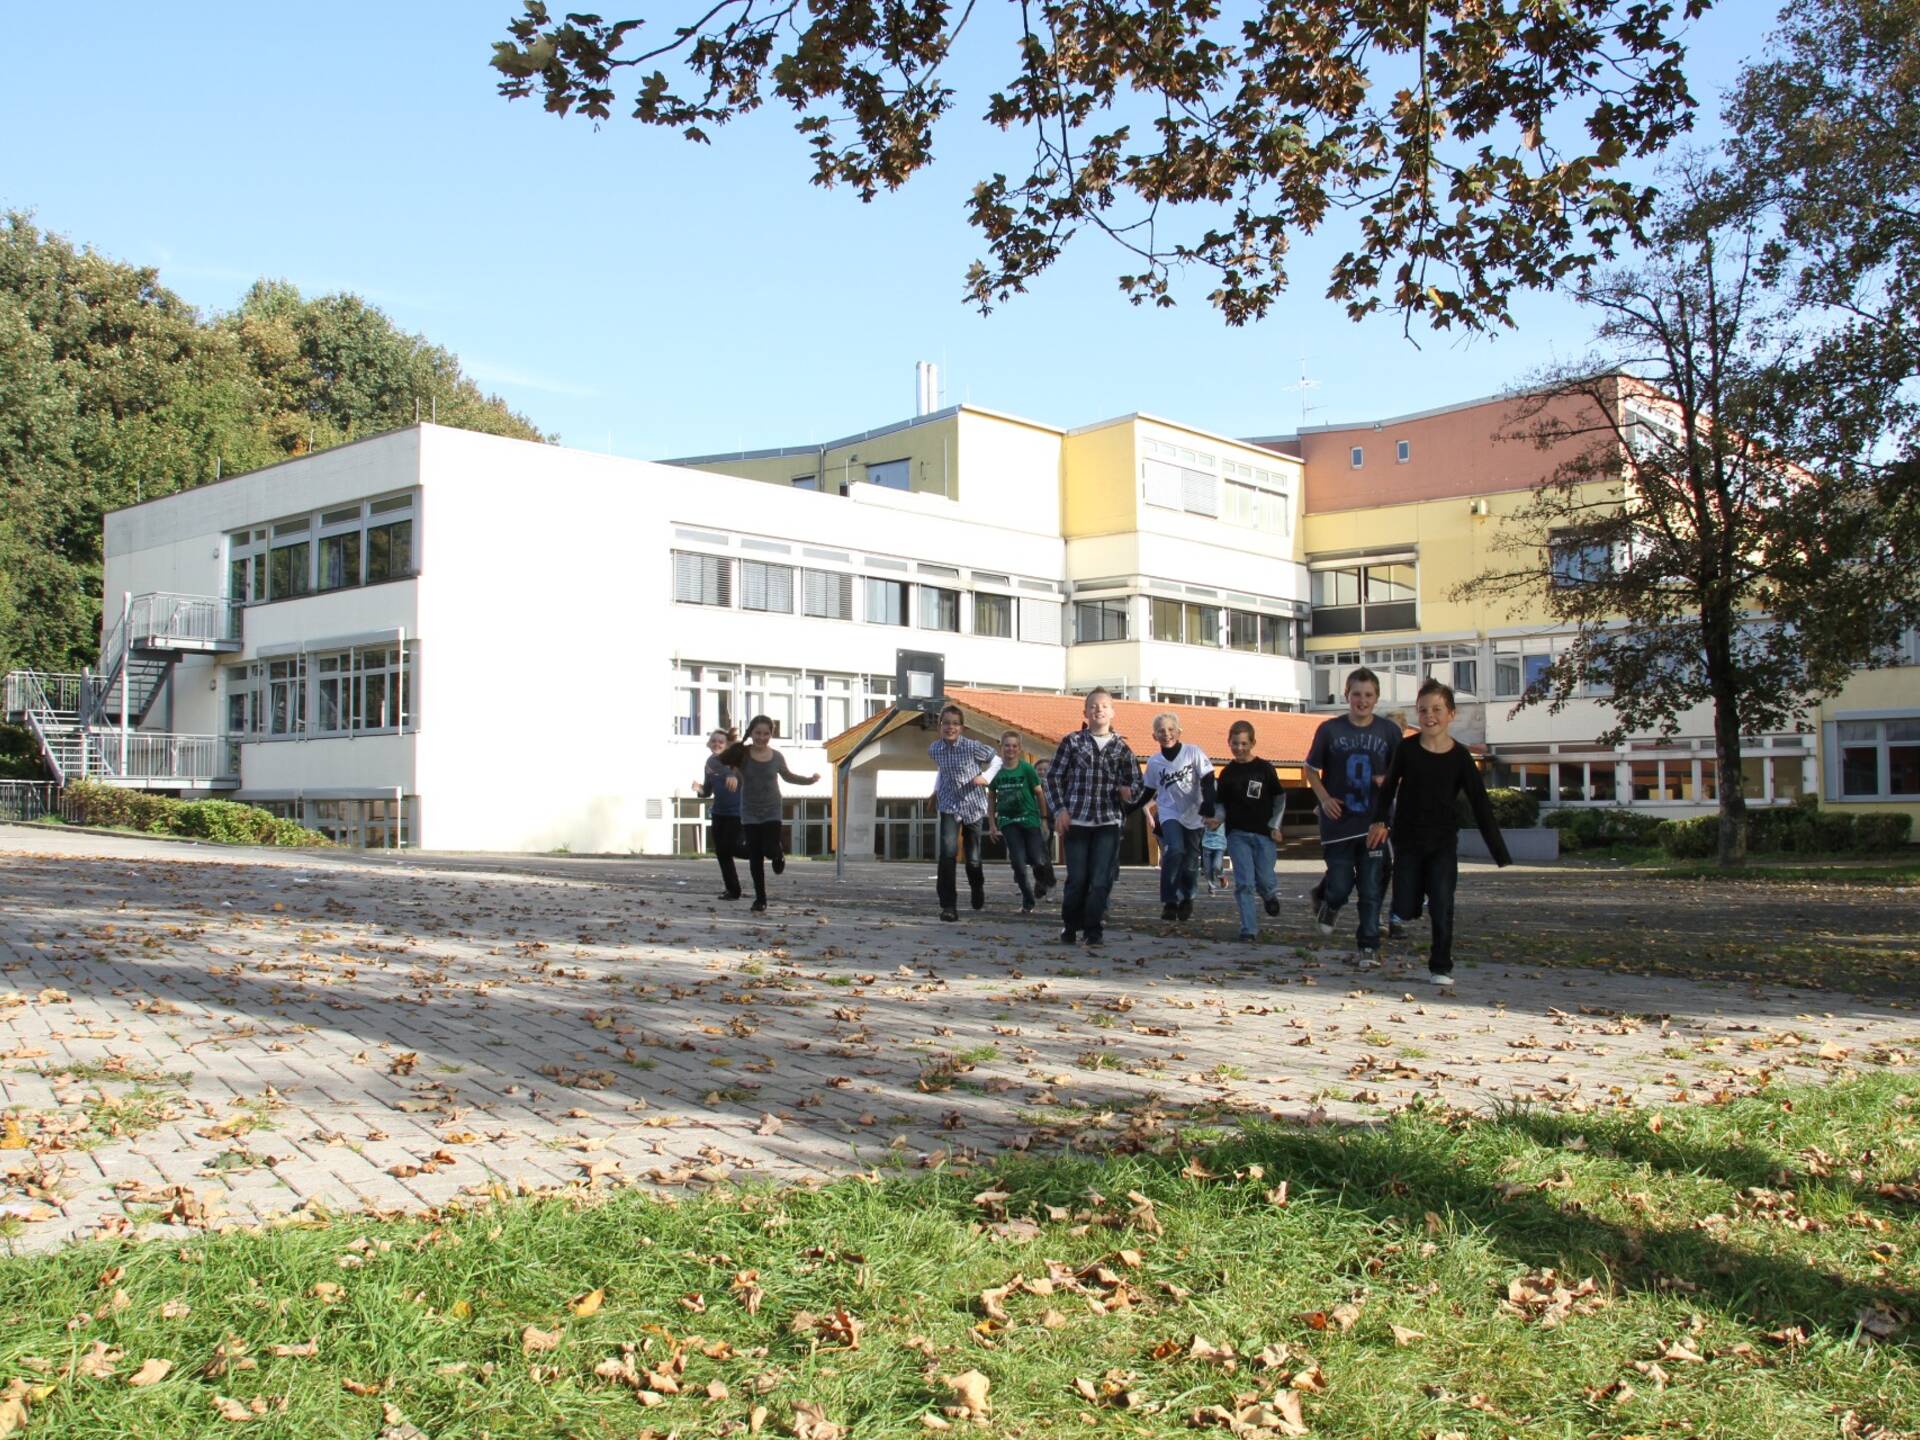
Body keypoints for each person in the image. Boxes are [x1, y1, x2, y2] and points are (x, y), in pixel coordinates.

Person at [1367, 678, 1512, 987]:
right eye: (1422, 710)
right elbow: (1388, 788)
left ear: (1451, 714)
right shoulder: (1406, 750)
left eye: (1436, 709)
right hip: (1408, 841)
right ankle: (1415, 898)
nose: (1429, 715)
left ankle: (1441, 966)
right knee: (1404, 907)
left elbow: (1480, 804)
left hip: (1443, 843)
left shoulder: (1460, 757)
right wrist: (1380, 820)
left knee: (1443, 904)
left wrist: (1499, 852)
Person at [1304, 667, 1401, 966]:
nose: (1362, 700)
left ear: (1377, 698)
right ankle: (1327, 901)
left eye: (1368, 695)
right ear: (1346, 695)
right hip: (1339, 824)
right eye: (1356, 694)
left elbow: (1403, 772)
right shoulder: (1330, 729)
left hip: (1374, 823)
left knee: (1372, 888)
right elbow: (1309, 769)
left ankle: (1369, 946)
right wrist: (1323, 797)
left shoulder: (1389, 731)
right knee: (1341, 885)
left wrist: (1389, 782)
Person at [1043, 689, 1138, 947]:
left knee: (1100, 879)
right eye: (1094, 706)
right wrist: (1059, 810)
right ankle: (1070, 926)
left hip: (1108, 821)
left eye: (1105, 706)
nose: (1099, 710)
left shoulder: (1122, 748)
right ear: (1085, 712)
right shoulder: (1073, 742)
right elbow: (1052, 778)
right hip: (1078, 821)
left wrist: (1128, 792)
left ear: (1112, 712)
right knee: (1078, 879)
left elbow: (1135, 784)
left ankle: (1093, 929)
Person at [717, 716, 820, 913]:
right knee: (755, 855)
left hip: (772, 808)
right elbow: (723, 762)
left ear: (771, 735)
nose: (762, 737)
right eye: (758, 733)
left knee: (770, 847)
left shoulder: (777, 756)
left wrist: (809, 780)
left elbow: (789, 777)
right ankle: (760, 899)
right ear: (752, 733)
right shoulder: (743, 753)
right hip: (750, 810)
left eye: (766, 734)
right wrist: (731, 770)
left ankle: (778, 854)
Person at [928, 705, 1002, 921]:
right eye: (946, 723)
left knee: (972, 859)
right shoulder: (934, 749)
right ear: (940, 725)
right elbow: (943, 770)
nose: (950, 727)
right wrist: (935, 791)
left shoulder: (972, 747)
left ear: (961, 727)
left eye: (955, 723)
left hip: (973, 806)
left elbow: (996, 760)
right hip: (949, 805)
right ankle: (948, 906)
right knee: (947, 853)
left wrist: (986, 777)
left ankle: (977, 886)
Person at [1141, 713, 1217, 923]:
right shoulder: (1155, 762)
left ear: (1178, 731)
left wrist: (1209, 804)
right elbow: (1147, 791)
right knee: (1174, 850)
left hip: (1194, 813)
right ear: (1154, 736)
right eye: (1161, 731)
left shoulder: (1193, 752)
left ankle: (1188, 898)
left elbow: (1209, 778)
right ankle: (1169, 901)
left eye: (1170, 729)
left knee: (1191, 861)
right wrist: (1128, 808)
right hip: (1169, 811)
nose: (1166, 734)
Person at [1214, 720, 1284, 942]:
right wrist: (1217, 819)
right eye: (1235, 743)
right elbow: (1221, 804)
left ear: (1253, 742)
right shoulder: (1226, 773)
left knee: (1264, 878)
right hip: (1237, 834)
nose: (1239, 748)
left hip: (1264, 833)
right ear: (1229, 743)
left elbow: (1279, 799)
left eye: (1244, 743)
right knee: (1244, 882)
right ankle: (1249, 929)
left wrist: (1275, 825)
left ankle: (1269, 895)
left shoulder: (1265, 768)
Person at [987, 730, 1052, 913]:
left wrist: (1044, 819)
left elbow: (1039, 794)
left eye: (1014, 746)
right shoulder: (997, 772)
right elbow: (991, 798)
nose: (1010, 749)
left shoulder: (1027, 769)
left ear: (1020, 749)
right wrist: (992, 824)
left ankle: (1041, 881)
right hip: (1008, 822)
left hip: (1030, 820)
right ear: (1001, 748)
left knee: (1038, 859)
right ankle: (1027, 901)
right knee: (1018, 863)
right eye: (1007, 745)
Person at [693, 727, 744, 900]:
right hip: (718, 813)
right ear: (709, 744)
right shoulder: (709, 763)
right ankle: (733, 890)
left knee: (732, 848)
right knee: (722, 852)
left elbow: (746, 777)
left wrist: (733, 774)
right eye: (714, 741)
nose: (717, 744)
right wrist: (699, 789)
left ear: (727, 744)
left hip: (736, 813)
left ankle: (764, 850)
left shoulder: (735, 762)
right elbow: (707, 791)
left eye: (721, 741)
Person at [1200, 820, 1227, 892]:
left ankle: (1221, 876)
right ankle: (1211, 886)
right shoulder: (1206, 814)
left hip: (1219, 845)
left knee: (1216, 866)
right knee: (1208, 869)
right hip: (1206, 844)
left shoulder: (1221, 814)